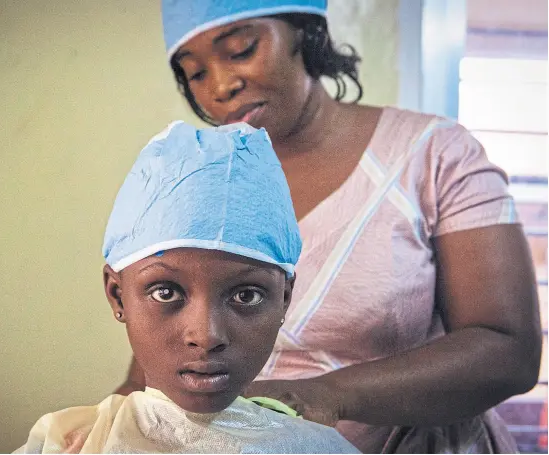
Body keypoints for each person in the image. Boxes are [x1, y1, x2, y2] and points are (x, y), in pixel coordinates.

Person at [114, 1, 543, 452]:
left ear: (305, 33)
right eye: (196, 73)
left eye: (241, 49)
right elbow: (152, 366)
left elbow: (507, 350)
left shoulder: (433, 154)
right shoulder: (199, 182)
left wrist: (326, 396)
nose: (221, 85)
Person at [15, 122, 359, 453]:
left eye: (246, 295)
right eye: (166, 292)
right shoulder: (67, 445)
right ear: (118, 294)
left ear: (284, 298)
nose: (206, 336)